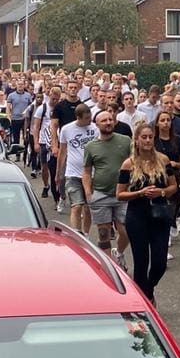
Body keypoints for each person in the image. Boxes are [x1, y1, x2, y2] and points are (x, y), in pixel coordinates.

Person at [116, 122, 179, 304]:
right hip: (137, 215)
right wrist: (139, 193)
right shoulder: (129, 164)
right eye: (143, 137)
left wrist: (161, 192)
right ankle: (141, 302)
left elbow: (173, 186)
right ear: (136, 140)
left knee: (160, 263)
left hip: (159, 214)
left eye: (150, 137)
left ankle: (148, 289)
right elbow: (120, 194)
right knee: (141, 262)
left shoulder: (163, 160)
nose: (147, 141)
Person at [83, 109, 134, 261]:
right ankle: (109, 265)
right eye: (104, 121)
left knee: (126, 231)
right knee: (104, 233)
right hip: (100, 194)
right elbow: (86, 171)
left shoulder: (125, 140)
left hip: (123, 193)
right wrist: (88, 193)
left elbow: (135, 163)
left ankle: (118, 253)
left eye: (110, 119)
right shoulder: (91, 146)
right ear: (96, 124)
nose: (108, 123)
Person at [57, 104, 96, 235]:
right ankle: (76, 234)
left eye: (90, 117)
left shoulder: (95, 128)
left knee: (88, 207)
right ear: (78, 117)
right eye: (86, 118)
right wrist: (58, 174)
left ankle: (86, 234)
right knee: (76, 205)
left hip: (91, 174)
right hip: (72, 173)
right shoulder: (67, 129)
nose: (89, 120)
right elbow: (62, 152)